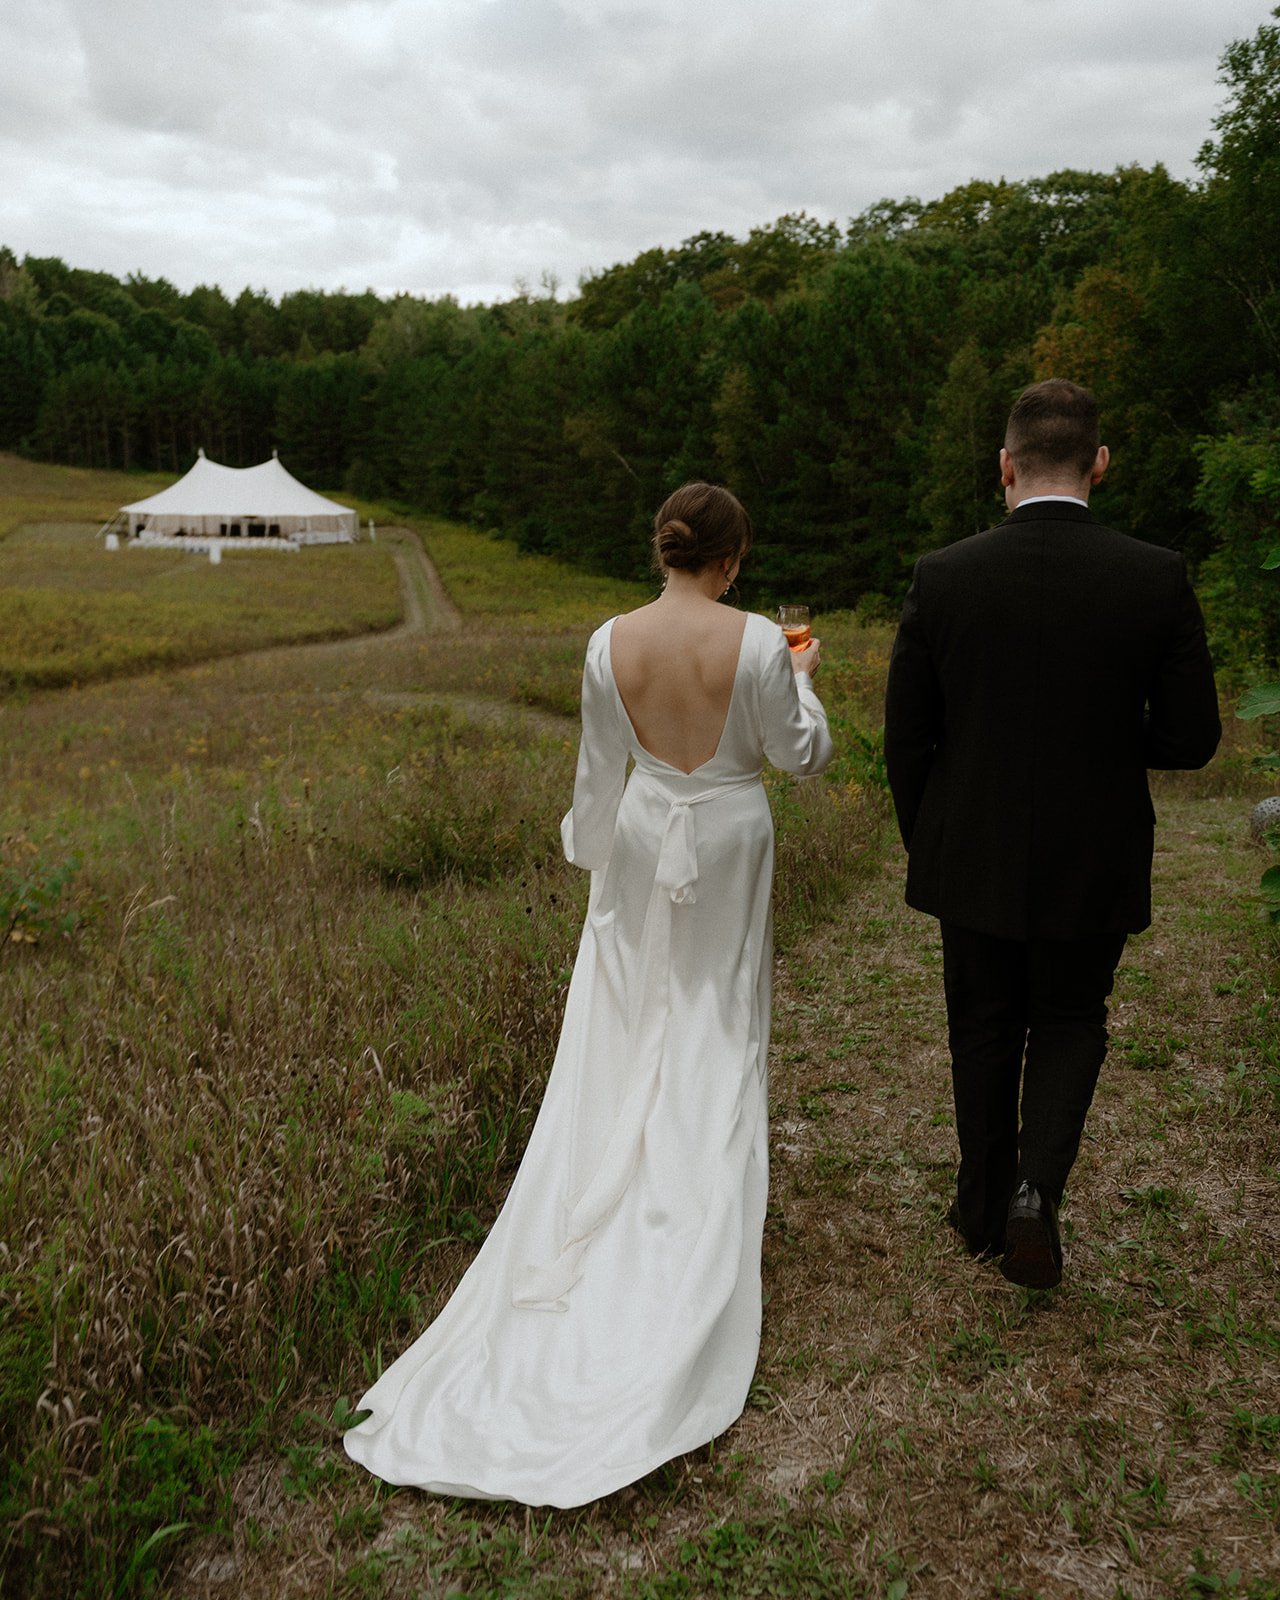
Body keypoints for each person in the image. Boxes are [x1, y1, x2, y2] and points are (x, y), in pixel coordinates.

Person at [344, 482, 832, 1505]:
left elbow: (593, 777)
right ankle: (692, 1197)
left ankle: (618, 1182)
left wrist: (594, 858)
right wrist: (806, 684)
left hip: (647, 840)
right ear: (732, 559)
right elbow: (800, 756)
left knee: (627, 1024)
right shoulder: (755, 643)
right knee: (714, 1021)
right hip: (732, 837)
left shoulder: (606, 641)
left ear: (664, 550)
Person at [883, 379, 1220, 1289]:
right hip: (1096, 844)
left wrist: (934, 840)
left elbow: (907, 737)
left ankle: (981, 1206)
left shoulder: (942, 575)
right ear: (1099, 464)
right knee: (1071, 1017)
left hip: (972, 847)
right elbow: (1192, 740)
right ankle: (1036, 1191)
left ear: (1005, 465)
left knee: (982, 1026)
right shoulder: (1156, 575)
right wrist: (1109, 744)